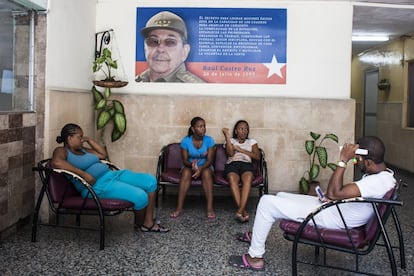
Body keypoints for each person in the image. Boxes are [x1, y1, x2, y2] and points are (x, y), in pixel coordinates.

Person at [228, 136, 396, 271]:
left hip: (332, 217)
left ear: (368, 162)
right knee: (279, 195)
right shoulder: (385, 176)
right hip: (335, 209)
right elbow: (340, 195)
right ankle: (258, 234)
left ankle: (255, 257)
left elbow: (334, 192)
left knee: (266, 202)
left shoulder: (376, 182)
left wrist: (343, 160)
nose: (356, 162)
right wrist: (333, 198)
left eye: (358, 160)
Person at [51, 123, 169, 233]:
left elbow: (102, 154)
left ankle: (147, 222)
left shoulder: (82, 149)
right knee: (140, 196)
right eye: (79, 137)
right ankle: (142, 224)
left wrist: (90, 140)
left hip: (111, 175)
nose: (82, 140)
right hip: (96, 186)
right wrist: (83, 174)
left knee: (150, 181)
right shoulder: (61, 151)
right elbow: (56, 163)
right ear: (70, 138)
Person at [135, 11, 205, 83]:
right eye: (153, 41)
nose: (160, 49)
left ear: (184, 52)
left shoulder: (198, 89)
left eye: (170, 42)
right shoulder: (135, 82)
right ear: (145, 47)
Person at [170, 116, 216, 219]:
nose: (203, 128)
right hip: (189, 166)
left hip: (206, 166)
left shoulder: (209, 140)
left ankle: (209, 208)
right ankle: (179, 208)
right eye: (199, 126)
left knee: (206, 173)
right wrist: (192, 165)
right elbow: (185, 160)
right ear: (193, 129)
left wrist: (200, 168)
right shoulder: (186, 141)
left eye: (204, 126)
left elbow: (209, 160)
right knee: (186, 173)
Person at [222, 120, 260, 223]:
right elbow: (230, 153)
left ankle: (239, 210)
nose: (244, 131)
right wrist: (226, 136)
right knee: (232, 178)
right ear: (236, 130)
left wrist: (241, 150)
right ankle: (242, 211)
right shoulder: (231, 141)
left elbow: (257, 156)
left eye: (246, 129)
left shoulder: (252, 142)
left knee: (247, 179)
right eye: (241, 128)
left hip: (246, 164)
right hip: (232, 164)